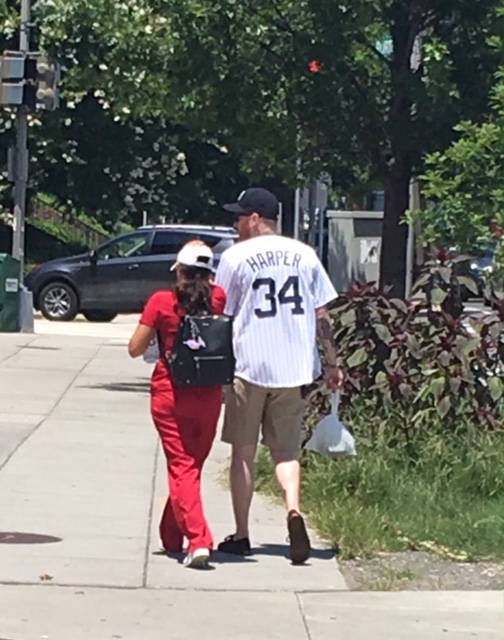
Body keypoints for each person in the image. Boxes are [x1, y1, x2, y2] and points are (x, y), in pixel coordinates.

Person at [214, 187, 344, 565]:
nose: (235, 224)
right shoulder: (305, 255)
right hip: (294, 368)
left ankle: (241, 534)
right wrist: (332, 362)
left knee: (243, 451)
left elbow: (222, 314)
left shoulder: (235, 257)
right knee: (286, 452)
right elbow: (322, 315)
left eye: (239, 217)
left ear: (255, 219)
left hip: (249, 366)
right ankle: (293, 509)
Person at [128, 240, 226, 569]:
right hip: (209, 394)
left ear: (179, 270)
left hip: (169, 394)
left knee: (182, 467)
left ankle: (199, 540)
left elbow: (135, 348)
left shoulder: (161, 301)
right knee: (190, 467)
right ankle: (171, 535)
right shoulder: (219, 298)